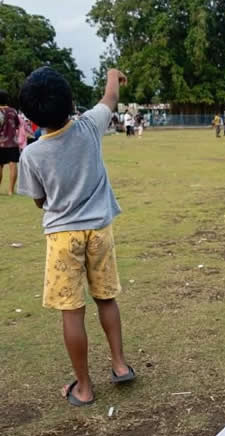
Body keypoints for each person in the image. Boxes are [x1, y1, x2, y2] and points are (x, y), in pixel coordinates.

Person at [17, 67, 137, 407]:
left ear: (31, 117)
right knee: (106, 299)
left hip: (62, 237)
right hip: (99, 230)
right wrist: (112, 74)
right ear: (71, 103)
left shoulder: (32, 155)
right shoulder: (89, 127)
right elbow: (110, 98)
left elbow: (39, 199)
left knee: (72, 312)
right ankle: (119, 364)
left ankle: (84, 387)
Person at [0, 90, 22, 195]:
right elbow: (17, 125)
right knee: (13, 165)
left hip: (0, 143)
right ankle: (10, 190)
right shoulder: (13, 111)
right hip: (12, 142)